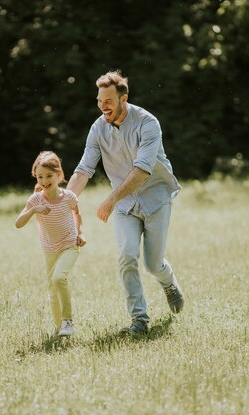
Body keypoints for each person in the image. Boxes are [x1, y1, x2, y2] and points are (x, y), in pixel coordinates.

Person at [67, 70, 184, 335]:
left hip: (156, 197)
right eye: (99, 101)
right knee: (127, 256)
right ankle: (139, 320)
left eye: (108, 100)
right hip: (125, 205)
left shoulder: (147, 123)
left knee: (153, 264)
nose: (103, 106)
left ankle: (169, 282)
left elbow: (142, 170)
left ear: (123, 98)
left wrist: (110, 199)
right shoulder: (98, 129)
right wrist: (66, 201)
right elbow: (84, 169)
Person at [15, 151, 86, 338]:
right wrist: (33, 210)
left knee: (58, 278)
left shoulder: (69, 197)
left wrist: (81, 233)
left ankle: (68, 321)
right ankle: (58, 328)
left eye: (49, 176)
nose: (44, 181)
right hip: (49, 249)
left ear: (59, 175)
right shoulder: (35, 200)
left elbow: (77, 214)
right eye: (40, 177)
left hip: (70, 245)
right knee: (52, 290)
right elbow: (18, 223)